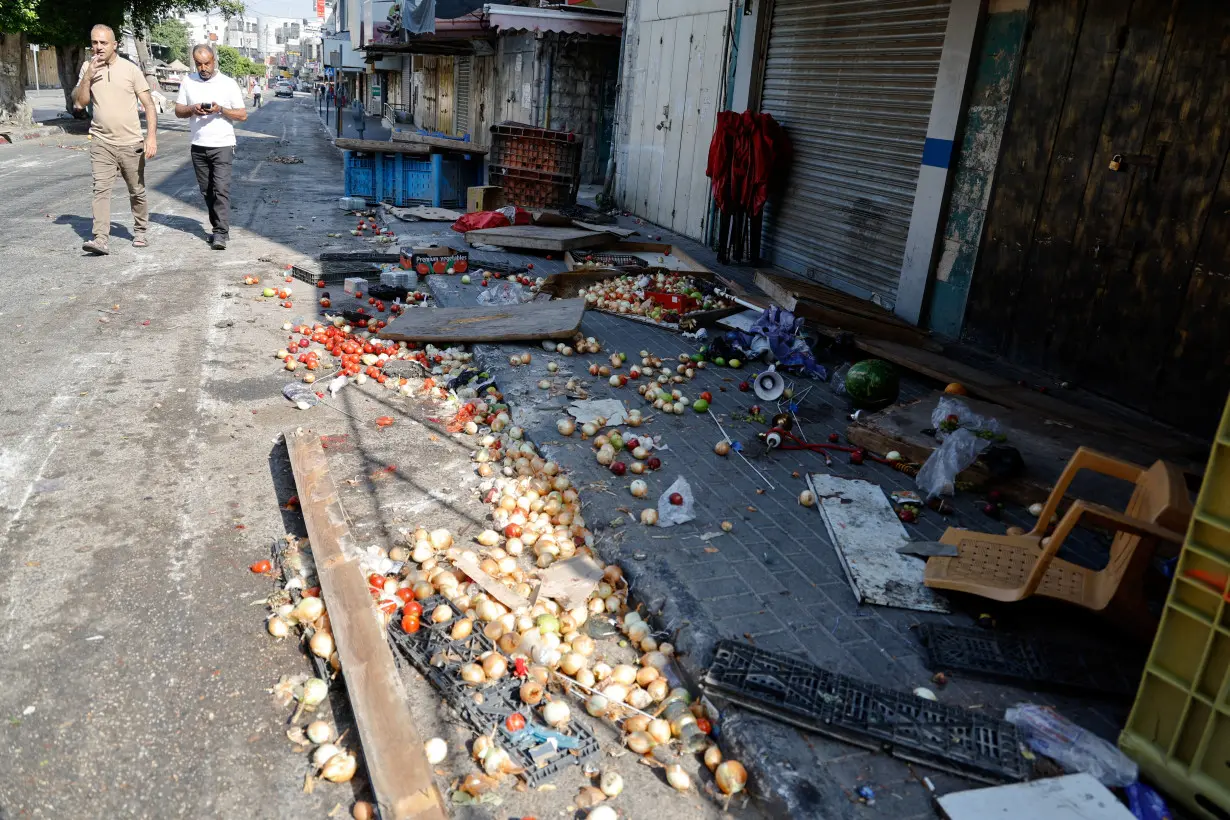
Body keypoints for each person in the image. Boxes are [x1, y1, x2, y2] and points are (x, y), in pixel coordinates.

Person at [72, 24, 158, 255]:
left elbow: (149, 105)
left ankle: (140, 230)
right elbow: (80, 103)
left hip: (131, 143)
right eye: (94, 42)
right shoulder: (87, 68)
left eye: (103, 43)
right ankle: (100, 238)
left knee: (136, 190)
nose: (98, 47)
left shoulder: (130, 70)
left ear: (114, 45)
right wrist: (88, 76)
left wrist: (150, 137)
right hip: (101, 141)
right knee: (100, 189)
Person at [174, 45, 247, 250]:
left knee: (220, 189)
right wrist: (191, 109)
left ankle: (221, 233)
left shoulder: (228, 83)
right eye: (199, 64)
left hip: (222, 144)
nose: (203, 68)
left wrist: (221, 109)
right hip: (198, 145)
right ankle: (218, 227)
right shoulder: (188, 81)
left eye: (207, 63)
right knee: (206, 191)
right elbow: (179, 110)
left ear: (214, 61)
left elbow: (242, 114)